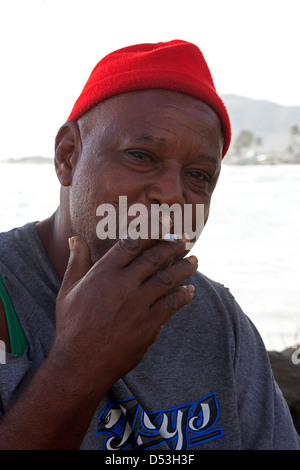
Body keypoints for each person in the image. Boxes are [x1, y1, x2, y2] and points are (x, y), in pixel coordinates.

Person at [0, 40, 299, 450]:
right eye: (141, 156)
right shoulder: (7, 293)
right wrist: (79, 365)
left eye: (198, 176)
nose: (172, 195)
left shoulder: (217, 317)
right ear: (69, 156)